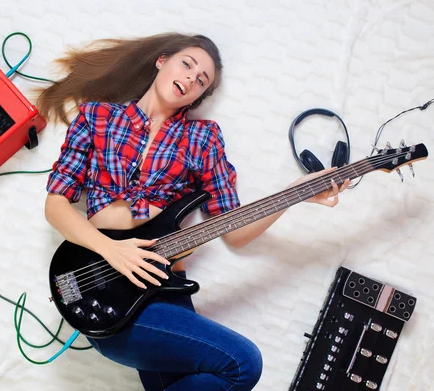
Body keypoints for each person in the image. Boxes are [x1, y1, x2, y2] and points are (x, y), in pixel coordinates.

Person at [38, 32, 349, 391]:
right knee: (243, 363)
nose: (190, 78)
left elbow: (233, 230)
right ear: (162, 61)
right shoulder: (97, 116)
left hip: (167, 289)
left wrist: (294, 194)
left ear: (201, 95)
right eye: (187, 64)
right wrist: (114, 251)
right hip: (104, 288)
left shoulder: (203, 138)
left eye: (201, 80)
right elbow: (56, 204)